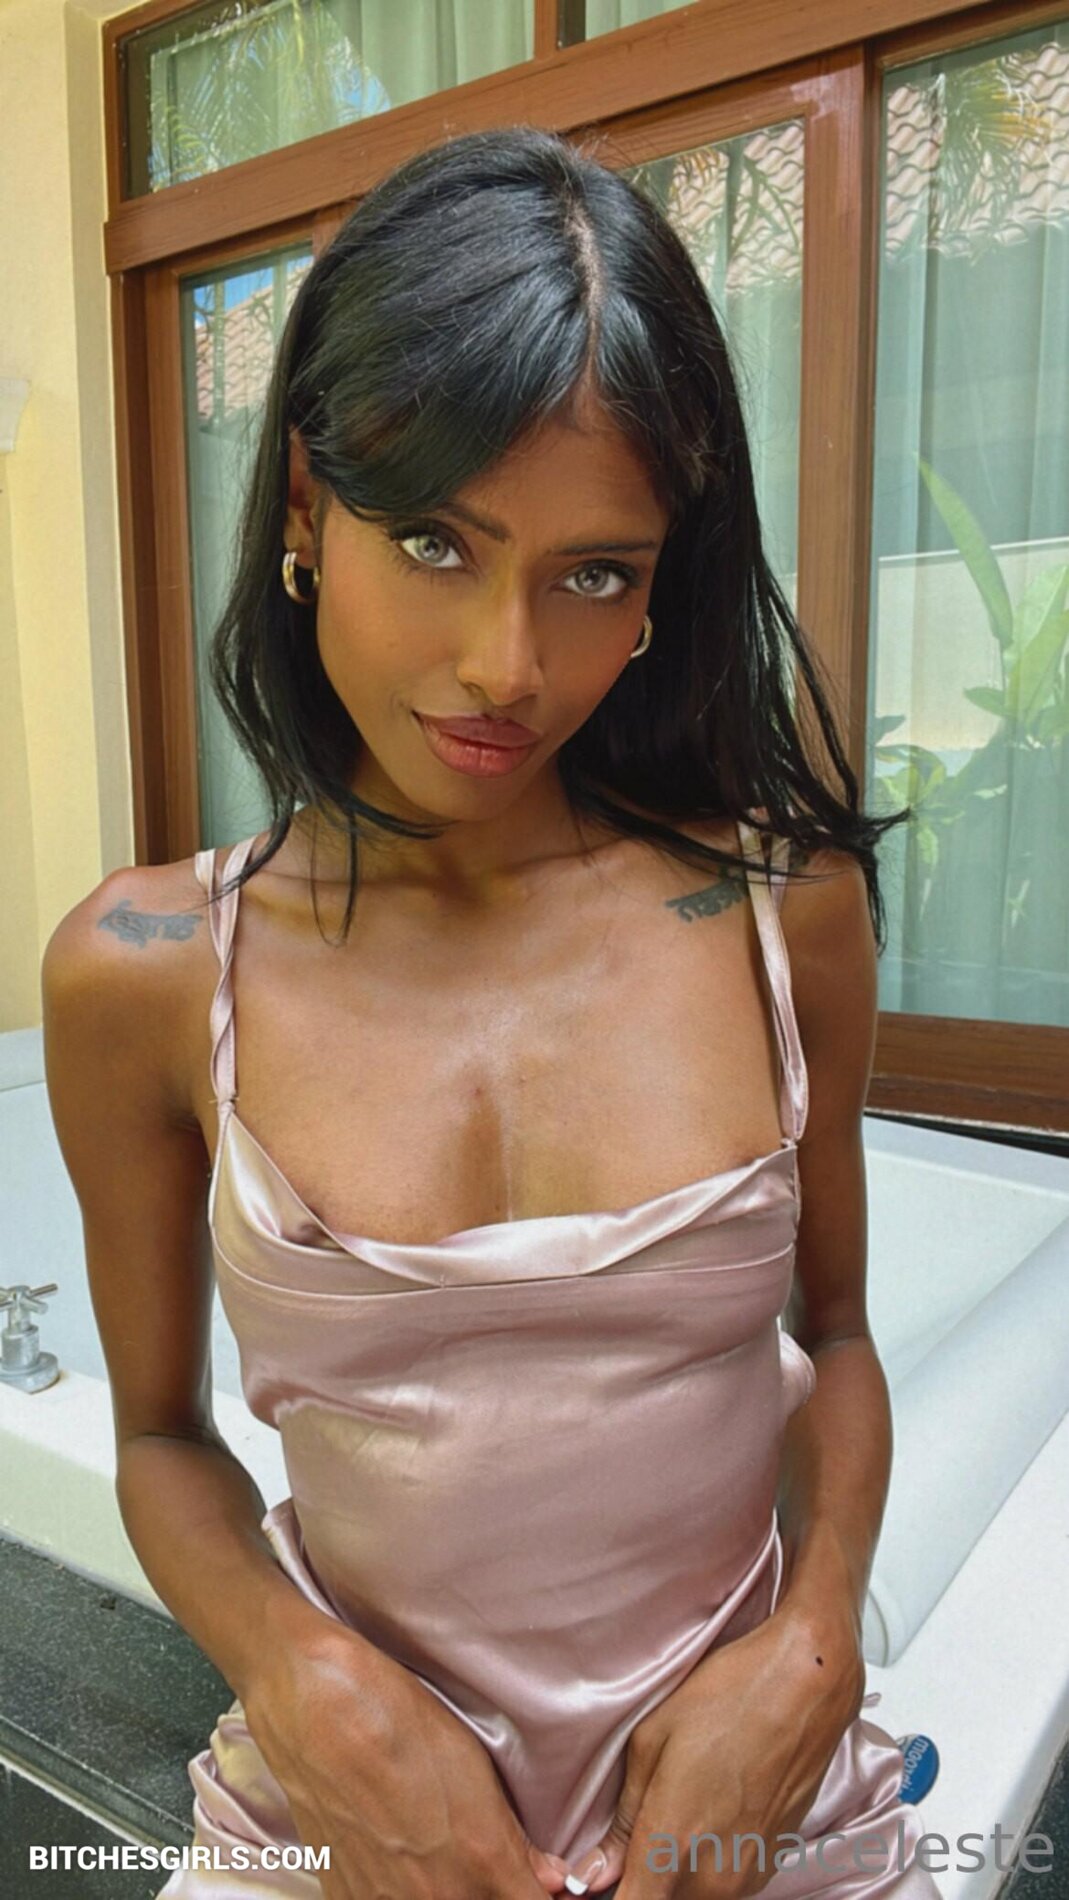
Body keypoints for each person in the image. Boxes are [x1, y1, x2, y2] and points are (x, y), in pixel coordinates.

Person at [42, 126, 942, 1899]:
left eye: (593, 572)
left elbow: (835, 1338)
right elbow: (155, 1435)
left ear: (662, 581)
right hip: (342, 1827)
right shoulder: (144, 972)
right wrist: (302, 1682)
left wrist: (812, 1646)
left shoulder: (781, 911)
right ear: (305, 513)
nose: (505, 667)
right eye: (435, 542)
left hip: (751, 1827)